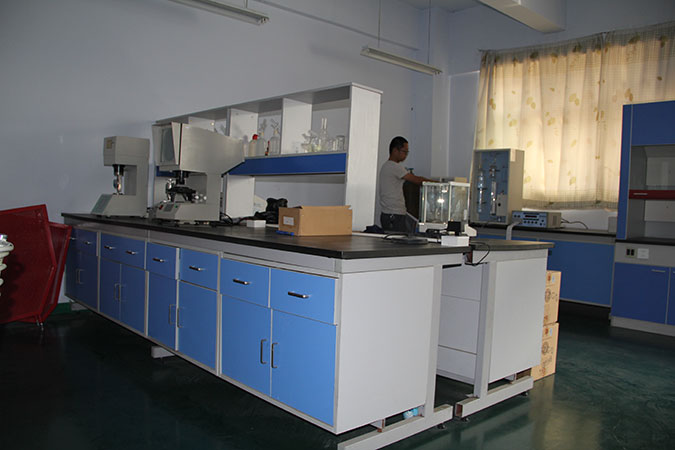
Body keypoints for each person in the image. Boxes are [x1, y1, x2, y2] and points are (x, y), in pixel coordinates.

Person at [378, 136, 434, 233]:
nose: (406, 155)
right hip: (393, 215)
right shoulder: (393, 166)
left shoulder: (388, 166)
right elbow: (417, 180)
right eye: (404, 151)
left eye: (407, 152)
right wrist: (436, 183)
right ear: (395, 150)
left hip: (392, 214)